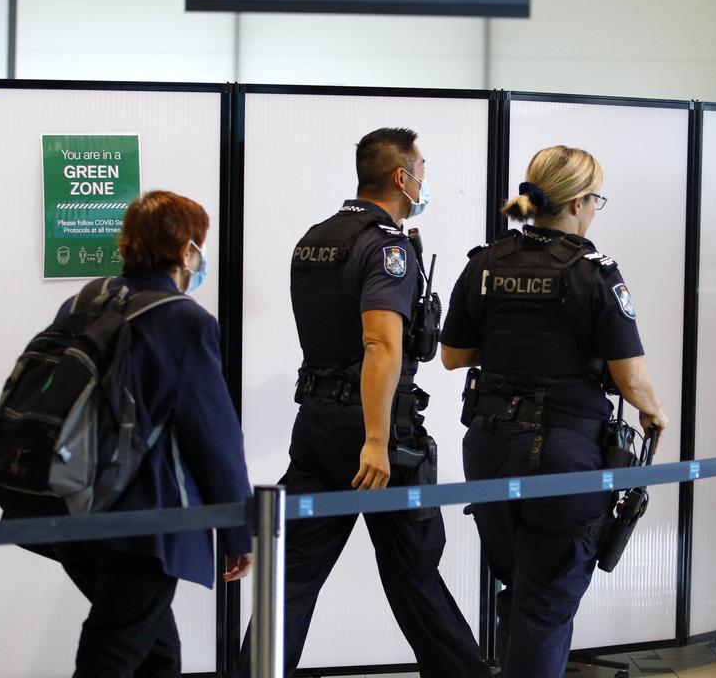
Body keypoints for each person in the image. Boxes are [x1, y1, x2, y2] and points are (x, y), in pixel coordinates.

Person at [234, 128, 489, 678]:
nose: (424, 179)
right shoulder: (387, 246)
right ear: (402, 176)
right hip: (378, 438)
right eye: (421, 168)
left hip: (317, 427)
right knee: (414, 572)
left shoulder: (316, 238)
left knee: (293, 578)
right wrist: (376, 440)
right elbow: (379, 343)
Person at [439, 145, 669, 678]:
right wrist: (654, 413)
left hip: (490, 448)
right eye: (596, 200)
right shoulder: (595, 272)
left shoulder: (486, 263)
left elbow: (452, 356)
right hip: (564, 456)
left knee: (521, 587)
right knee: (547, 602)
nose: (594, 211)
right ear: (578, 202)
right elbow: (629, 376)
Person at [41, 190, 254, 677]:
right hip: (144, 520)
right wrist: (238, 528)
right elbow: (213, 435)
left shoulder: (85, 299)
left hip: (73, 506)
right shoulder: (184, 320)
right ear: (185, 251)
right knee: (112, 656)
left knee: (156, 656)